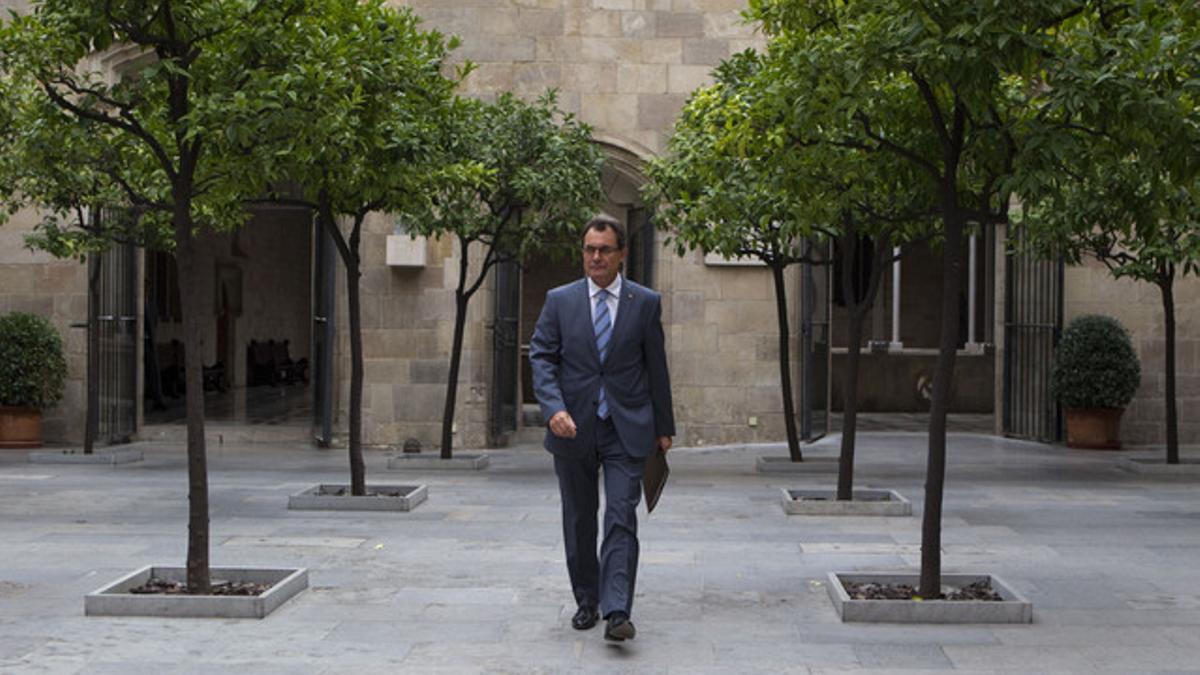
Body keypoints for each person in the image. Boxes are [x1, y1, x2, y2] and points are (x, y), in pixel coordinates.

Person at [529, 214, 675, 643]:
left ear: (621, 254)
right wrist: (552, 407)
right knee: (578, 519)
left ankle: (617, 611)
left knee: (620, 516)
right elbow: (541, 356)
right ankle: (587, 601)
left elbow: (657, 367)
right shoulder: (560, 300)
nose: (595, 257)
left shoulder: (644, 302)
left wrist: (664, 427)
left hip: (627, 428)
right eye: (589, 249)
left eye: (604, 249)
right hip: (572, 427)